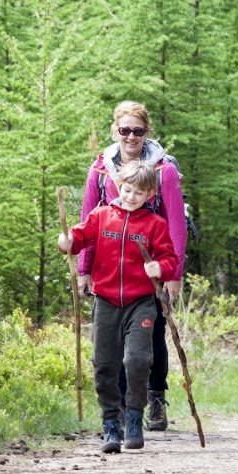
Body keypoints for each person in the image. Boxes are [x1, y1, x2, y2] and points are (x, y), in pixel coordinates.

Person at [78, 100, 187, 432]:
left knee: (151, 337)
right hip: (111, 270)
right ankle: (123, 406)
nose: (131, 137)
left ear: (146, 132)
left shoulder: (163, 169)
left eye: (138, 131)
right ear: (116, 130)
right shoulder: (100, 170)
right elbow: (88, 220)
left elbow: (176, 224)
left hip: (150, 269)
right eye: (125, 130)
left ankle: (154, 397)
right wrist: (84, 268)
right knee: (114, 344)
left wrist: (173, 274)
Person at [59, 161, 178, 453]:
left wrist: (158, 268)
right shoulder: (101, 216)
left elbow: (170, 260)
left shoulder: (155, 225)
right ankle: (112, 423)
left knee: (137, 360)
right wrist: (66, 241)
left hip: (141, 302)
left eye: (139, 192)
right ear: (118, 187)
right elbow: (78, 239)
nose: (131, 196)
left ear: (150, 194)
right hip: (106, 301)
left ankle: (135, 417)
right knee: (104, 365)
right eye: (127, 190)